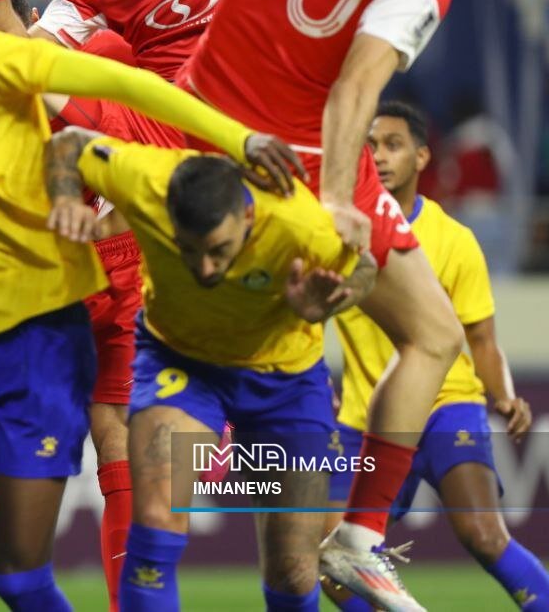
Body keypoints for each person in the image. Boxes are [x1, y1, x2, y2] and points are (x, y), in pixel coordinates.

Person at [0, 0, 517, 609]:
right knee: (423, 336)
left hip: (226, 145)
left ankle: (334, 530)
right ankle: (359, 536)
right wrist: (333, 200)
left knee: (377, 357)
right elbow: (31, 67)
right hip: (238, 155)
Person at [0, 0, 297, 612]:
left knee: (74, 520)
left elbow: (142, 151)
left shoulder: (76, 66)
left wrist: (234, 143)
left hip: (95, 300)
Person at [45, 126, 376, 611]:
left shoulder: (297, 222)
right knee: (154, 524)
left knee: (292, 567)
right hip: (183, 364)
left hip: (283, 378)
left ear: (246, 216)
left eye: (218, 251)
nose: (203, 269)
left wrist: (331, 300)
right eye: (189, 249)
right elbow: (68, 142)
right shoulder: (149, 179)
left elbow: (364, 264)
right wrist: (66, 197)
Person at [325, 101, 546, 612]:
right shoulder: (340, 233)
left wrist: (505, 396)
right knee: (331, 562)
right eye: (370, 145)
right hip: (366, 417)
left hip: (448, 405)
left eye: (393, 145)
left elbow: (482, 340)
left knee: (484, 535)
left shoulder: (454, 240)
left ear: (423, 157)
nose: (378, 156)